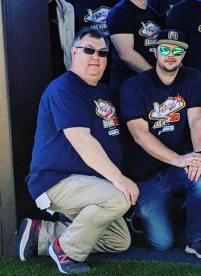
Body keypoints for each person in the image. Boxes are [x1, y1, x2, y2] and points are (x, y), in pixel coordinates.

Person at [18, 28, 134, 274]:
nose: (96, 57)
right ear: (73, 53)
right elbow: (81, 140)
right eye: (89, 50)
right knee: (119, 197)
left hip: (89, 183)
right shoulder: (65, 88)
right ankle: (66, 251)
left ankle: (42, 233)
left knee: (118, 240)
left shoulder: (102, 91)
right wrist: (119, 179)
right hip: (57, 180)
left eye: (102, 53)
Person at [119, 29, 201, 258]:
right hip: (145, 175)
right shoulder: (134, 85)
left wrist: (199, 155)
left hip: (177, 166)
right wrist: (179, 159)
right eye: (165, 49)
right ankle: (139, 213)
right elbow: (139, 134)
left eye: (177, 50)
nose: (171, 55)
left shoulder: (191, 76)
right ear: (155, 52)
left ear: (184, 54)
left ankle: (197, 239)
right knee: (162, 243)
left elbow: (196, 120)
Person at [106, 0, 161, 91]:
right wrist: (157, 78)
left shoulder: (154, 14)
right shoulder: (120, 12)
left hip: (150, 86)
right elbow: (126, 55)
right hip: (129, 86)